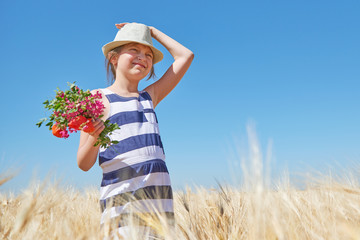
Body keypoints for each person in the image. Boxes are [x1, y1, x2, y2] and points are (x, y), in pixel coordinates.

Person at [76, 22, 194, 238]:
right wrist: (94, 136)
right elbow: (83, 163)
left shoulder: (149, 97)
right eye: (134, 50)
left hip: (159, 205)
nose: (143, 57)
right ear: (113, 58)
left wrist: (152, 31)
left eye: (149, 54)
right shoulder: (96, 99)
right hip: (122, 207)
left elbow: (185, 56)